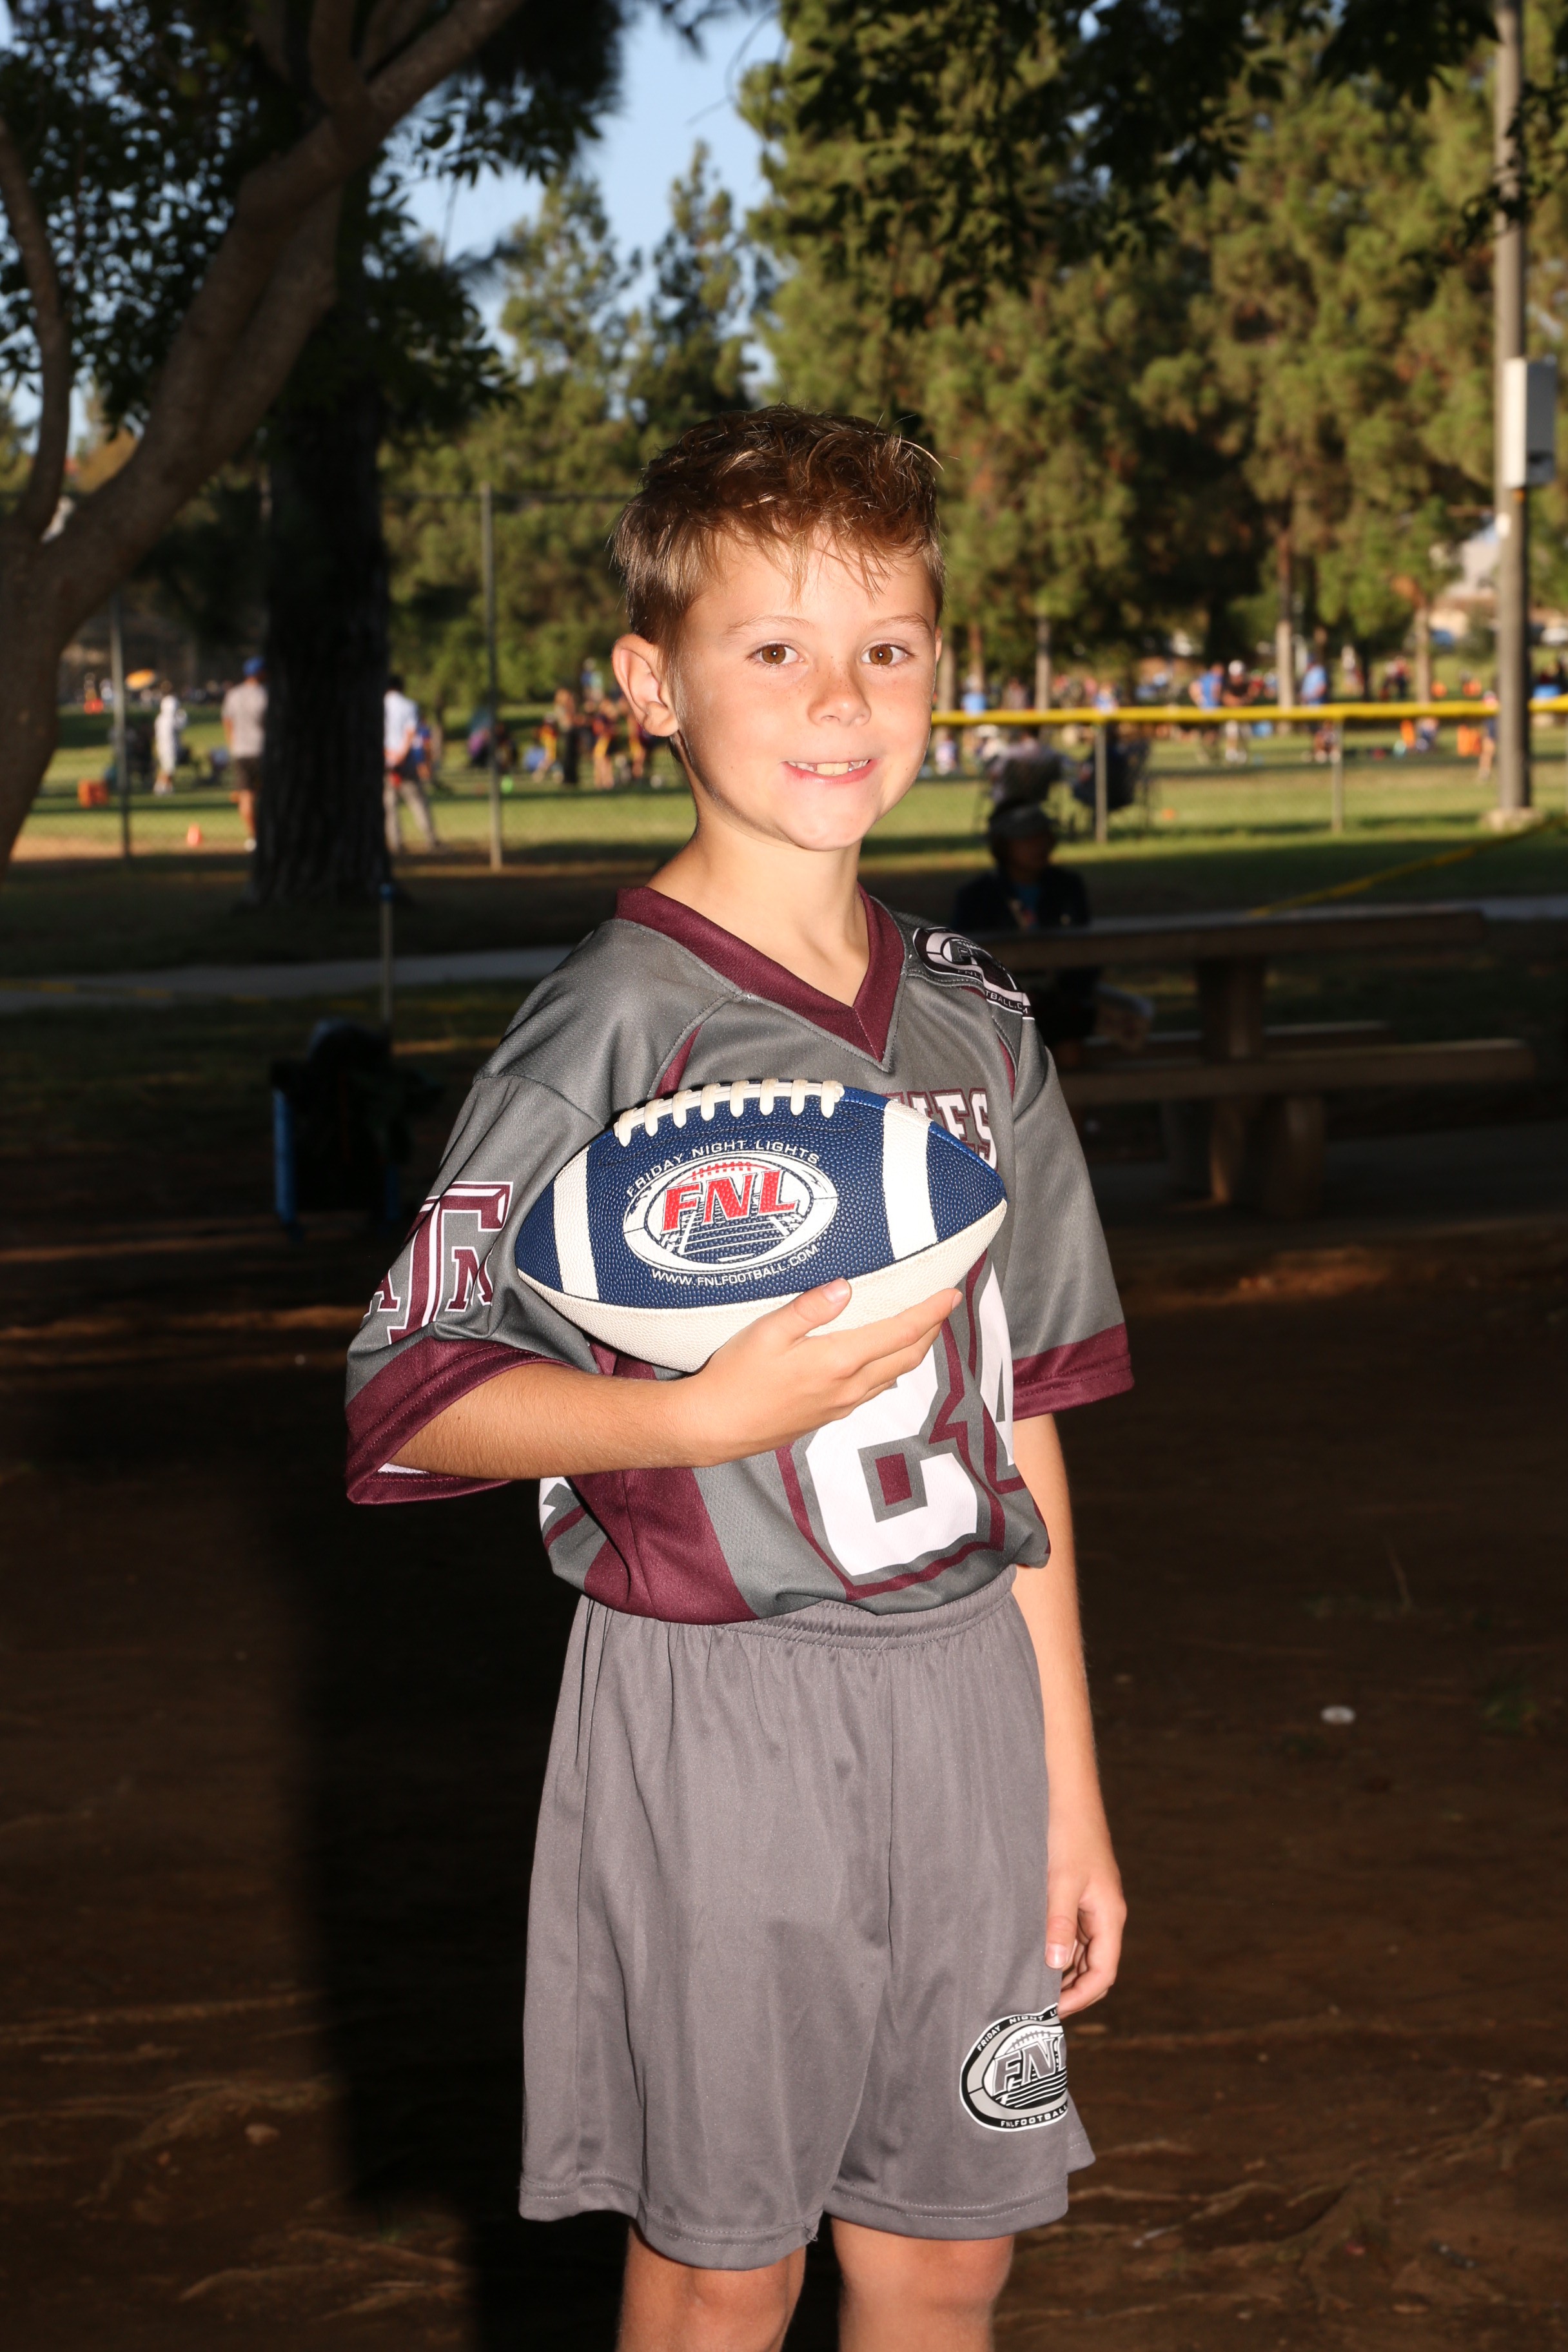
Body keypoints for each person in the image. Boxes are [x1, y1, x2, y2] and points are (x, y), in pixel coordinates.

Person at [345, 407, 1130, 2351]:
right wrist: (691, 1419)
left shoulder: (980, 1021)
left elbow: (1022, 1419)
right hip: (719, 1707)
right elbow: (408, 1386)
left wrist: (1069, 1790)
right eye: (773, 647)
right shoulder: (610, 1027)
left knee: (948, 2250)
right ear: (650, 683)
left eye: (886, 645)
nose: (839, 698)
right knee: (721, 2259)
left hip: (966, 1697)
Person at [952, 804, 1149, 1055]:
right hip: (1000, 1008)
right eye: (1026, 838)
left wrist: (1065, 994)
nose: (1040, 845)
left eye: (1043, 835)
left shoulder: (1067, 887)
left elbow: (1086, 954)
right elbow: (961, 964)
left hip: (1061, 1004)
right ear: (1003, 845)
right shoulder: (976, 897)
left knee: (1077, 1047)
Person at [384, 674, 438, 853]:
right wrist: (401, 756)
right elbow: (411, 733)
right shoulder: (410, 706)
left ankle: (396, 843)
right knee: (418, 802)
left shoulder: (379, 705)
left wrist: (389, 756)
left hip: (386, 762)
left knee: (390, 805)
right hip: (406, 762)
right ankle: (431, 840)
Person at [222, 658, 266, 848]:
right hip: (262, 751)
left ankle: (254, 837)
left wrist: (233, 745)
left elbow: (227, 722)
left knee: (246, 796)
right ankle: (267, 835)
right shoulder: (265, 694)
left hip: (241, 751)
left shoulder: (234, 694)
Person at [153, 682, 186, 796]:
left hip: (164, 745)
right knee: (169, 767)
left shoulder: (160, 719)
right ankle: (164, 787)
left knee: (166, 766)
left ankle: (163, 786)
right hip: (169, 746)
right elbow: (181, 726)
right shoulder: (170, 719)